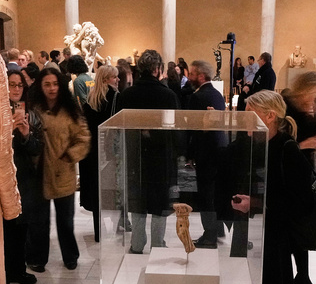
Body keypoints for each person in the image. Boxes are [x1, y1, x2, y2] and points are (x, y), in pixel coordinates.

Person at [231, 90, 310, 284]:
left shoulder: (286, 149)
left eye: (251, 112)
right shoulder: (258, 145)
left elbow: (299, 201)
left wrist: (257, 202)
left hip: (275, 242)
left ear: (269, 116)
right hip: (255, 236)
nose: (245, 118)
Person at [111, 49, 179, 252]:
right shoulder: (168, 95)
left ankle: (137, 243)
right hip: (161, 158)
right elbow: (174, 132)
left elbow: (118, 129)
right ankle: (158, 243)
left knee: (138, 202)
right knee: (159, 203)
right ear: (157, 69)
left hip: (135, 157)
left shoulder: (127, 95)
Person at [27, 67, 91, 270]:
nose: (52, 88)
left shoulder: (70, 111)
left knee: (65, 221)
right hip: (38, 174)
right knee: (39, 221)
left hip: (63, 172)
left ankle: (70, 256)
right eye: (47, 84)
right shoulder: (33, 108)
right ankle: (37, 258)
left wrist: (69, 156)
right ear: (41, 86)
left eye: (55, 84)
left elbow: (83, 138)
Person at [282, 71, 316, 284]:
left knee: (301, 229)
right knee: (293, 230)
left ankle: (302, 278)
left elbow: (311, 134)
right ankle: (296, 279)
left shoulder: (305, 108)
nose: (315, 99)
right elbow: (282, 146)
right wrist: (307, 143)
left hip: (304, 175)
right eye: (314, 94)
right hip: (290, 177)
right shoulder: (287, 108)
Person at [4, 69, 42, 284]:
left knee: (21, 228)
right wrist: (7, 130)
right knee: (6, 231)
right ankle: (4, 280)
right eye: (11, 85)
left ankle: (18, 270)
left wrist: (26, 134)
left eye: (19, 85)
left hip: (25, 178)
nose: (16, 89)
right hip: (4, 177)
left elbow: (37, 148)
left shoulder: (30, 113)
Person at [186, 59, 227, 248]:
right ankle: (217, 229)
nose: (189, 77)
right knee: (216, 192)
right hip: (220, 150)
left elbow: (193, 129)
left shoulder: (197, 98)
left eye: (192, 74)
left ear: (201, 76)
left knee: (205, 195)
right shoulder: (218, 94)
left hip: (205, 152)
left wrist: (190, 154)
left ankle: (209, 235)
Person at [81, 64, 119, 242]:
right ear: (106, 79)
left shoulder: (90, 99)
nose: (117, 80)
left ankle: (98, 230)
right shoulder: (115, 98)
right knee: (114, 188)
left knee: (96, 191)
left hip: (92, 151)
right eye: (114, 77)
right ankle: (118, 225)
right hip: (110, 150)